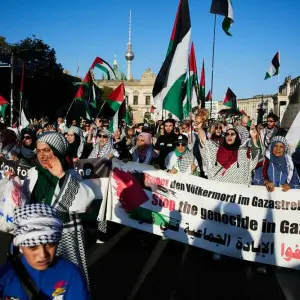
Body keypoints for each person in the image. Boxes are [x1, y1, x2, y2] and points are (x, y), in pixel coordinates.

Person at [22, 132, 95, 285]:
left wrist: (61, 175)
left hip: (63, 237)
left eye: (47, 150)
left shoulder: (70, 174)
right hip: (36, 237)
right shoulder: (32, 173)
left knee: (64, 281)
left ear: (57, 151)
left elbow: (84, 201)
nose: (42, 155)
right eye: (39, 150)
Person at [0, 203, 90, 299]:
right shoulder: (6, 275)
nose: (43, 255)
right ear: (21, 247)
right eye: (33, 247)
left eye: (50, 245)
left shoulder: (71, 274)